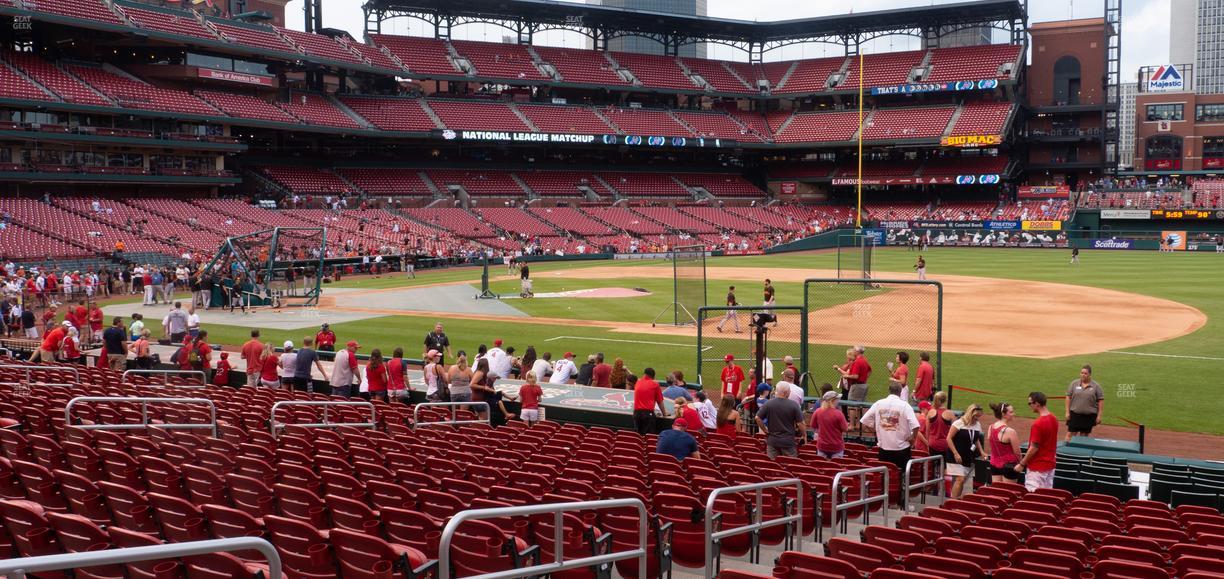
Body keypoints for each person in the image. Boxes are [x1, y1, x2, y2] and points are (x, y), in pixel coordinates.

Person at [860, 382, 921, 471]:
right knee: (902, 476)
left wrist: (876, 431)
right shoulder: (905, 406)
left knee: (886, 476)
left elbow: (864, 421)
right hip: (901, 449)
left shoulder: (879, 403)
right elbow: (916, 425)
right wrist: (913, 438)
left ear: (889, 390)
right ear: (900, 392)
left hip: (884, 449)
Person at [1016, 391, 1058, 491]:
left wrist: (1022, 464)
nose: (1029, 406)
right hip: (1050, 466)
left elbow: (1034, 447)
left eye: (1030, 403)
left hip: (1037, 468)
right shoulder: (1054, 419)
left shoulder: (1038, 424)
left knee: (1033, 500)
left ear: (1037, 404)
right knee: (1046, 498)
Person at [754, 383, 806, 458]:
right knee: (791, 466)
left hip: (772, 442)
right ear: (785, 392)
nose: (790, 392)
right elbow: (800, 423)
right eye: (789, 391)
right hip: (788, 443)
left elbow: (757, 418)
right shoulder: (793, 405)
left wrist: (765, 430)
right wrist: (804, 435)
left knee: (773, 467)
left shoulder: (769, 403)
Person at [947, 404, 986, 499]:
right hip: (955, 455)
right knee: (960, 479)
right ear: (970, 413)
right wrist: (955, 453)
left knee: (962, 480)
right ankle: (952, 502)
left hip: (967, 455)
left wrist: (981, 451)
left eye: (979, 416)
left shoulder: (977, 424)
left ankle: (955, 499)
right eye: (976, 416)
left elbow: (975, 439)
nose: (977, 418)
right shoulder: (959, 423)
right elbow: (949, 438)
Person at [1065, 364, 1104, 441]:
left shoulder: (1096, 386)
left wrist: (1099, 416)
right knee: (1070, 434)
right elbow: (1068, 397)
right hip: (1075, 414)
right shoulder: (1074, 384)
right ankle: (1066, 451)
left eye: (1085, 373)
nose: (1083, 375)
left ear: (1090, 374)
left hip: (1089, 416)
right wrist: (1067, 412)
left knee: (1084, 437)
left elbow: (1100, 400)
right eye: (1082, 373)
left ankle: (1079, 452)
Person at [988, 402, 1022, 484]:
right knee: (1008, 492)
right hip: (1009, 466)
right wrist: (1021, 464)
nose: (1014, 414)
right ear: (1003, 414)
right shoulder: (1010, 431)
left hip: (994, 465)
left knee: (997, 492)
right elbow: (1017, 452)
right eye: (1011, 412)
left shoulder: (991, 427)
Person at [811, 390, 848, 458]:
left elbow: (813, 425)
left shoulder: (818, 411)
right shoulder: (838, 413)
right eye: (837, 399)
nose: (838, 401)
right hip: (836, 446)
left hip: (822, 445)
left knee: (822, 466)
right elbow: (845, 429)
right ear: (832, 400)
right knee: (836, 467)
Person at [631, 367, 668, 435]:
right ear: (653, 376)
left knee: (638, 436)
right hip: (647, 415)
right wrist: (664, 414)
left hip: (636, 414)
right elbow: (660, 401)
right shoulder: (655, 385)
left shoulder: (638, 383)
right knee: (648, 437)